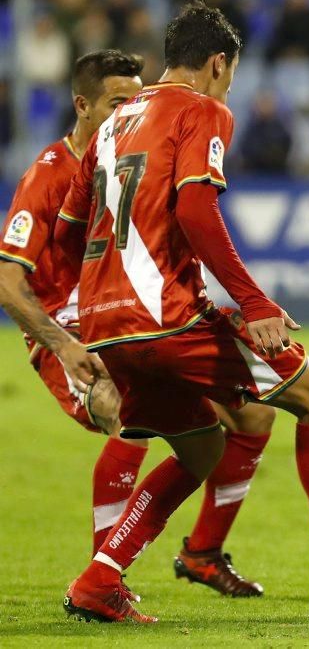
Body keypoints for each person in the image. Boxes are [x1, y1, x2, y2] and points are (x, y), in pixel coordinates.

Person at [57, 2, 309, 623]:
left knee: (202, 447)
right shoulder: (203, 109)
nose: (228, 84)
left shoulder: (111, 122)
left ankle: (101, 579)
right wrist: (254, 302)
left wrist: (101, 295)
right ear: (217, 63)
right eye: (229, 73)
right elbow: (195, 211)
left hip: (104, 322)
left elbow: (71, 226)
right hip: (165, 317)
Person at [0, 50, 272, 598]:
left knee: (256, 416)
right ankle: (107, 577)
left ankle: (202, 553)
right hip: (70, 333)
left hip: (133, 314)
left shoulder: (131, 162)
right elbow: (8, 281)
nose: (135, 112)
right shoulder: (50, 174)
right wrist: (62, 345)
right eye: (119, 103)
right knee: (121, 408)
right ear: (82, 105)